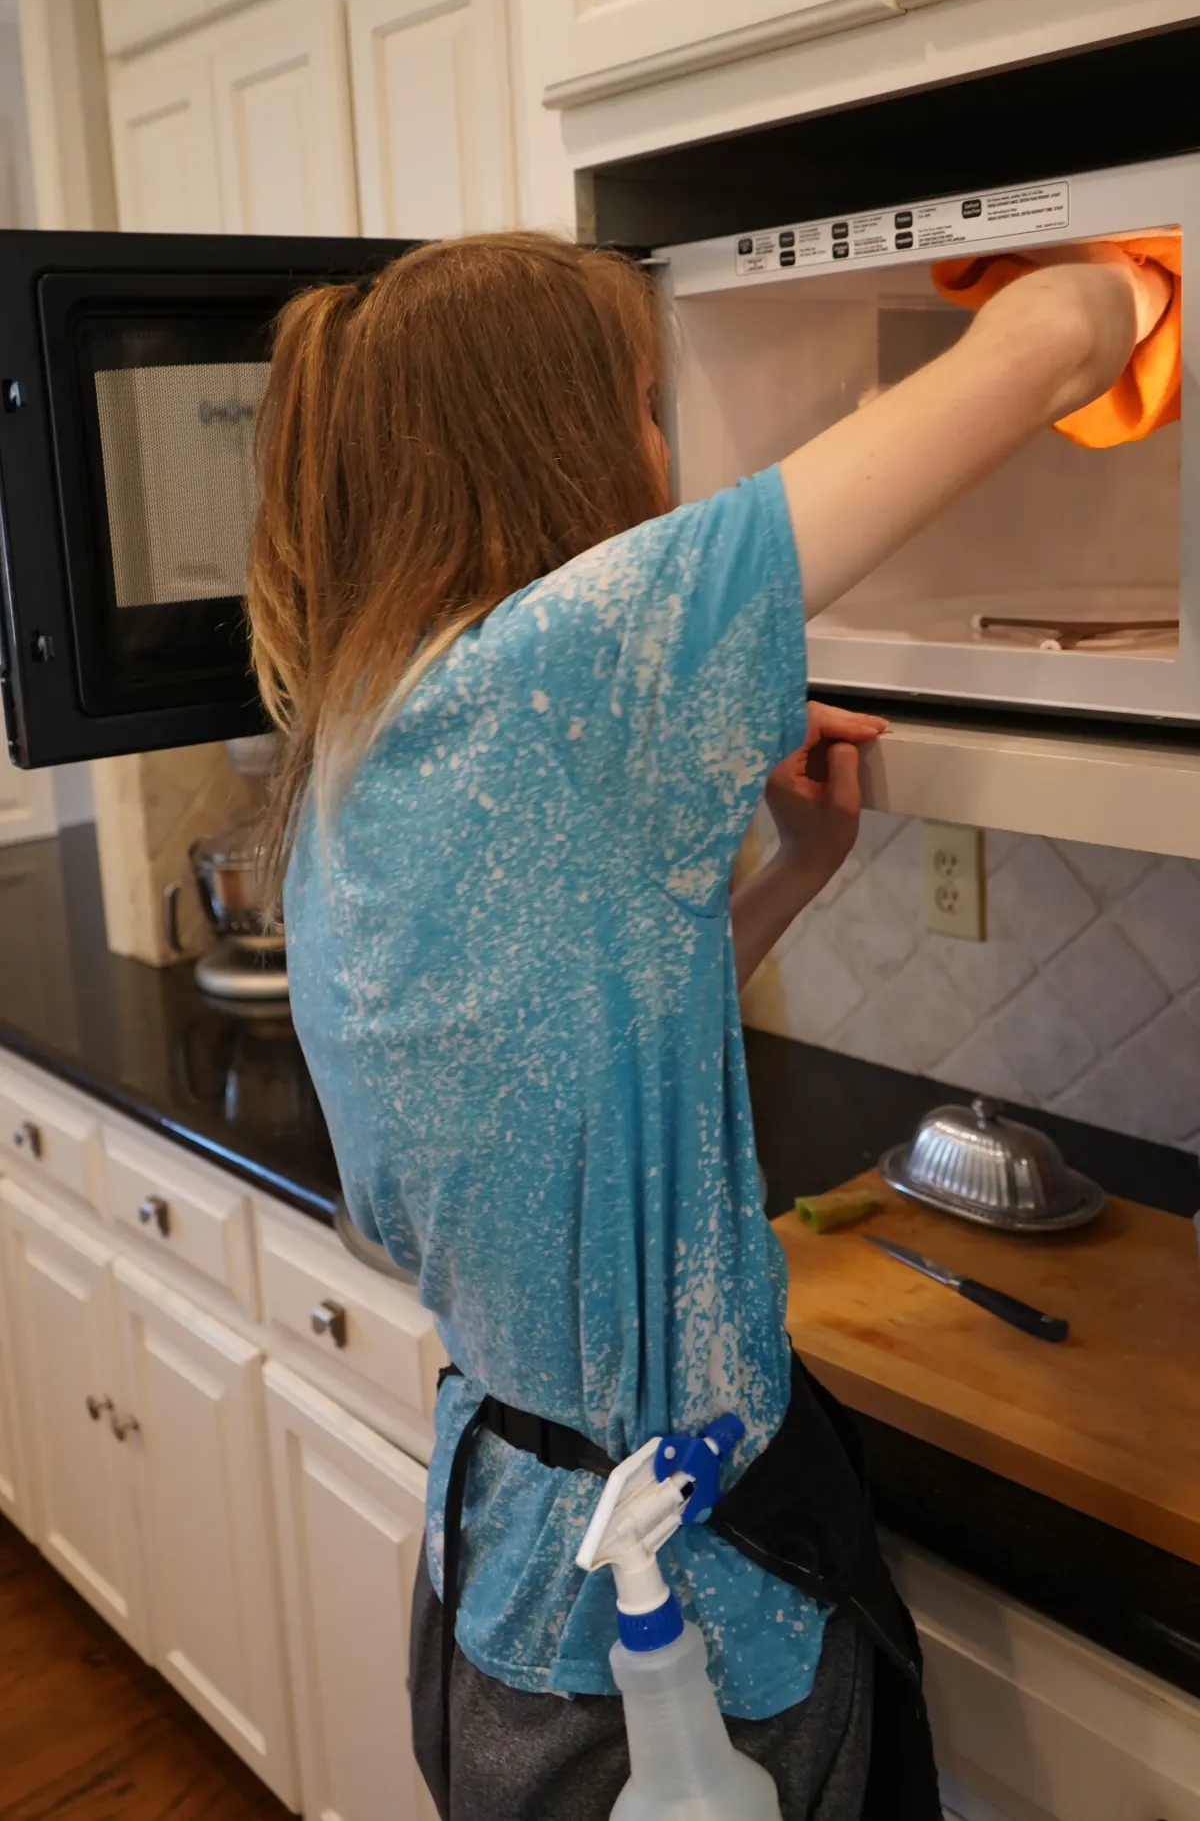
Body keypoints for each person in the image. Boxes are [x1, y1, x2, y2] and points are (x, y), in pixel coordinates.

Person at [246, 232, 1165, 1821]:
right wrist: (1124, 262)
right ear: (557, 439)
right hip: (670, 1634)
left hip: (512, 1579)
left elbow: (567, 1061)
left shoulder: (376, 722)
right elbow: (1056, 343)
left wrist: (794, 871)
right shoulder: (564, 667)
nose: (661, 450)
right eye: (644, 405)